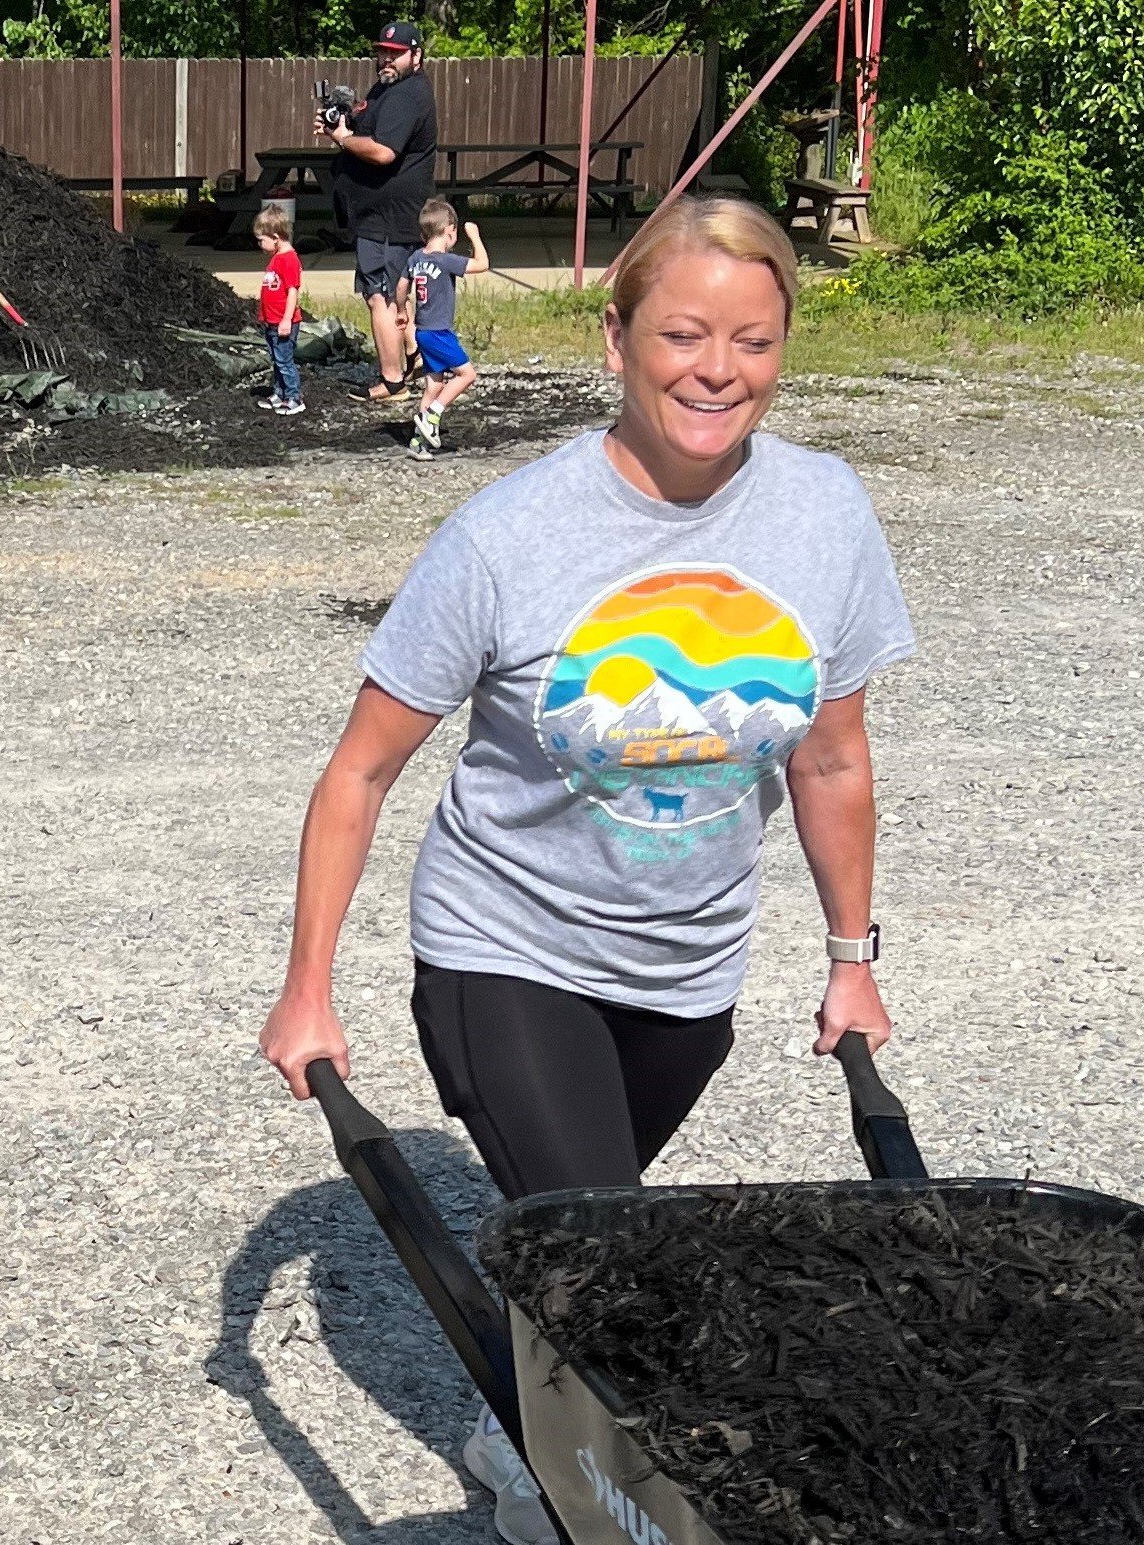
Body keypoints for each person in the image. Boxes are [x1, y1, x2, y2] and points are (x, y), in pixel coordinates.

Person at [255, 196, 915, 1545]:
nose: (714, 370)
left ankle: (528, 1407)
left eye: (750, 341)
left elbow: (830, 760)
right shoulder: (509, 536)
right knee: (619, 1263)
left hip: (684, 973)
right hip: (506, 950)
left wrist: (852, 964)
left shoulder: (824, 515)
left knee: (576, 1245)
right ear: (614, 337)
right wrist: (305, 986)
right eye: (680, 333)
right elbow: (359, 771)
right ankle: (561, 1494)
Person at [320, 19, 435, 402]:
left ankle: (392, 383)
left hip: (389, 218)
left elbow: (384, 151)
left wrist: (343, 138)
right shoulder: (388, 89)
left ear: (416, 57)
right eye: (383, 52)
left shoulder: (408, 94)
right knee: (395, 293)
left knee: (380, 295)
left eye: (396, 54)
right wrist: (344, 120)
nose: (386, 59)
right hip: (383, 215)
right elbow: (368, 125)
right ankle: (415, 357)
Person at [396, 200, 488, 461]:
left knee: (434, 385)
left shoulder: (415, 258)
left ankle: (418, 442)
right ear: (450, 231)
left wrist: (402, 312)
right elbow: (482, 264)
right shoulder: (446, 261)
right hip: (439, 332)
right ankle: (434, 413)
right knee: (467, 374)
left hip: (422, 330)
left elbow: (402, 286)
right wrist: (475, 236)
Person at [255, 204, 305, 415]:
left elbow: (292, 292)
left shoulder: (289, 260)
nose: (260, 244)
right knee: (276, 359)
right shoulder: (276, 258)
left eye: (261, 240)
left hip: (284, 322)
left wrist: (286, 319)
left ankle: (294, 396)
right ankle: (279, 392)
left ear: (275, 237)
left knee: (285, 361)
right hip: (272, 320)